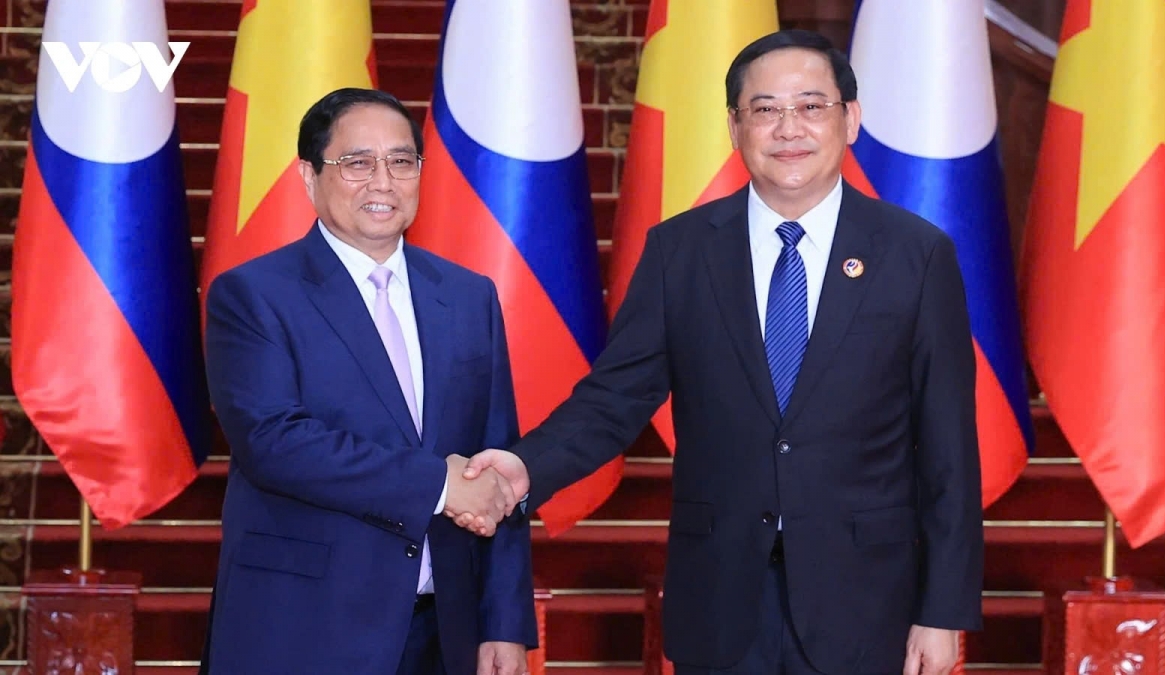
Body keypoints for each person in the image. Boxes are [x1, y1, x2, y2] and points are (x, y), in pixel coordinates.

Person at [460, 29, 983, 675]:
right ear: (735, 126)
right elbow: (613, 400)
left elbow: (949, 450)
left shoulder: (917, 255)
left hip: (868, 599)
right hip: (721, 597)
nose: (788, 127)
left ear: (850, 118)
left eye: (811, 106)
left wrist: (943, 610)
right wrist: (523, 467)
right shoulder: (680, 251)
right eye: (765, 109)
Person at [202, 87, 536, 675]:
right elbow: (274, 443)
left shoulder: (467, 296)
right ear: (309, 176)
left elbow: (497, 459)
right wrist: (438, 484)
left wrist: (504, 621)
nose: (383, 181)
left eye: (402, 161)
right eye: (357, 163)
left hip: (446, 630)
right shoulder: (253, 295)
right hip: (306, 627)